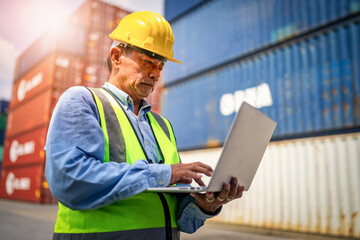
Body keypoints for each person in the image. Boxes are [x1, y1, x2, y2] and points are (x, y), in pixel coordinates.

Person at [45, 11, 245, 240]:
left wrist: (205, 205)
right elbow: (70, 182)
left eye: (161, 66)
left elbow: (182, 222)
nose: (155, 73)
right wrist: (164, 173)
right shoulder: (83, 101)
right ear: (116, 56)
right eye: (148, 61)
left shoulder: (163, 126)